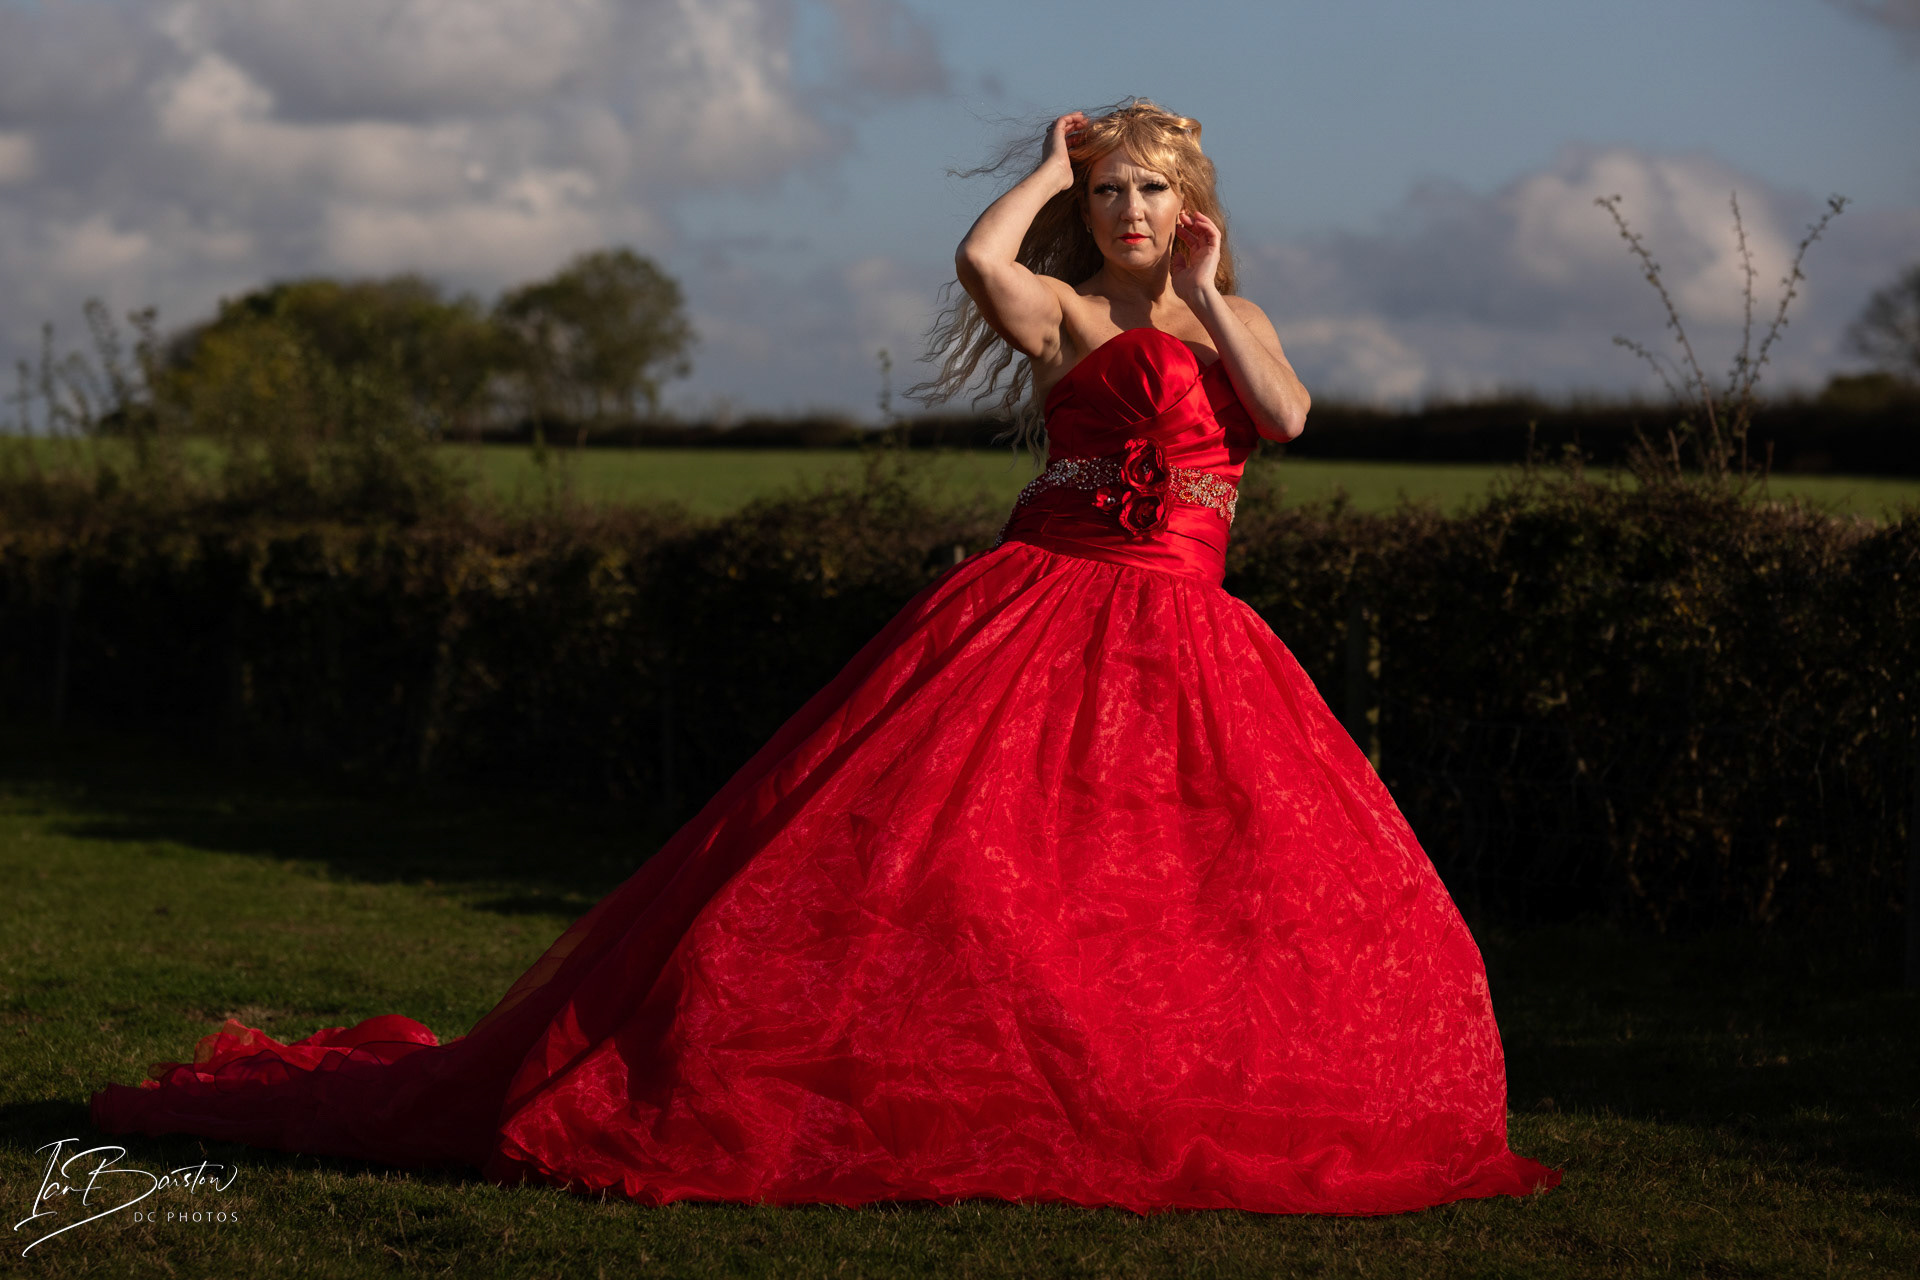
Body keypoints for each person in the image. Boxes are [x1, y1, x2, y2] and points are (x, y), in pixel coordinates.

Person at [91, 100, 1559, 1214]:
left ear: (1190, 202)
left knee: (1197, 886)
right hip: (1047, 604)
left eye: (1147, 189)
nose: (1126, 209)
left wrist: (1211, 289)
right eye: (1109, 191)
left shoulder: (1233, 316)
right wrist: (1050, 167)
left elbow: (1285, 420)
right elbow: (980, 257)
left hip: (1193, 629)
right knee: (952, 864)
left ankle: (1154, 1077)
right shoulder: (1060, 314)